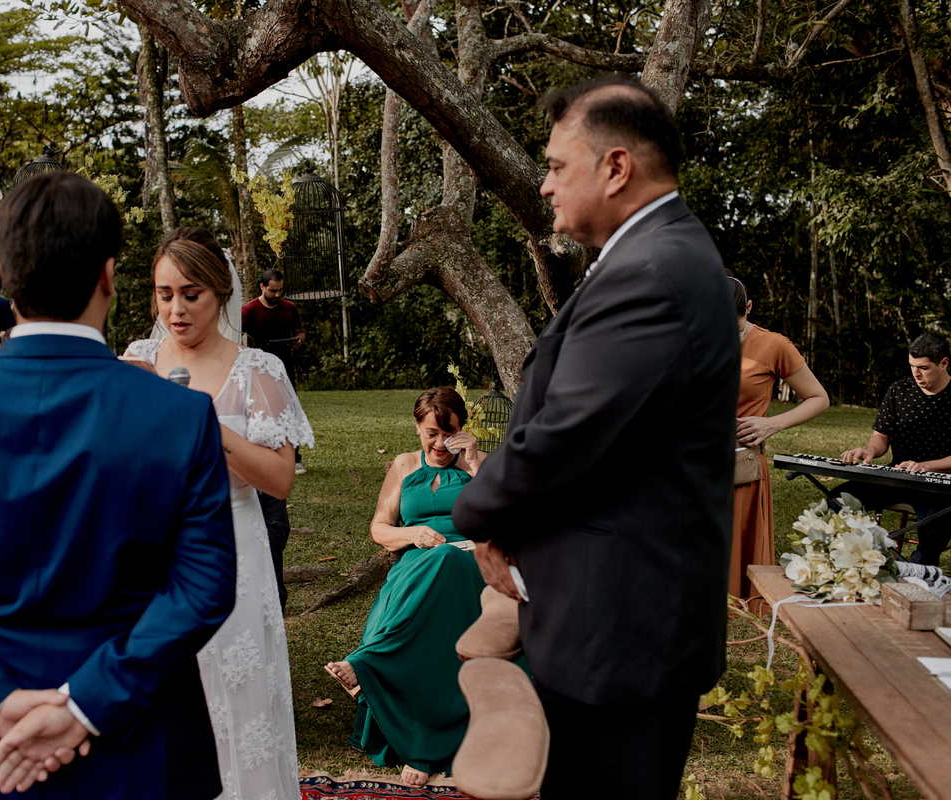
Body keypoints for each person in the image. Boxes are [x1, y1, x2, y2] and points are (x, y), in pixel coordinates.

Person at [0, 172, 237, 799]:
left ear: (4, 277)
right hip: (142, 740)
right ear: (110, 276)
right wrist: (86, 704)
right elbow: (202, 585)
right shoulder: (178, 415)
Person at [451, 74, 739, 800]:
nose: (544, 186)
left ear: (615, 167)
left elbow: (563, 436)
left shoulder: (654, 272)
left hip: (622, 633)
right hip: (608, 617)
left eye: (555, 165)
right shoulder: (653, 254)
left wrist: (477, 511)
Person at [125, 226, 313, 800]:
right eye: (164, 294)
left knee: (237, 697)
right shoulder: (134, 363)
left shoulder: (258, 371)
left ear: (221, 292)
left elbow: (280, 479)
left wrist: (201, 423)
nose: (176, 309)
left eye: (191, 294)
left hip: (231, 547)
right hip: (152, 555)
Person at [324, 387, 487, 787]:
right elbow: (380, 528)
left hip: (468, 564)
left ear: (461, 428)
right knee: (433, 565)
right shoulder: (403, 465)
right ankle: (384, 686)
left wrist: (477, 462)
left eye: (448, 432)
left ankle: (366, 663)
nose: (439, 443)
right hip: (414, 564)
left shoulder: (478, 465)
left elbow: (508, 516)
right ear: (417, 428)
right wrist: (413, 534)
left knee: (448, 557)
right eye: (431, 433)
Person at [729, 277, 829, 601]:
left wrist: (772, 424)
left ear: (749, 308)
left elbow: (818, 397)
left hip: (738, 463)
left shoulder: (774, 345)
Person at [839, 333, 951, 566]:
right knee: (837, 501)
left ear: (944, 363)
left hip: (940, 484)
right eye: (912, 366)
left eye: (923, 368)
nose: (916, 374)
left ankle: (918, 581)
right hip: (897, 476)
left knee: (932, 535)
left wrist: (926, 466)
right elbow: (881, 435)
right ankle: (844, 563)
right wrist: (870, 450)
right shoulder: (899, 391)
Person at [241, 268, 307, 475]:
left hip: (284, 365)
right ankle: (261, 455)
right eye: (272, 291)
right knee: (260, 409)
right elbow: (233, 335)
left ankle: (295, 458)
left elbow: (300, 332)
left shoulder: (289, 308)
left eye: (280, 291)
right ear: (262, 287)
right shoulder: (249, 310)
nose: (277, 295)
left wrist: (299, 340)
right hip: (258, 368)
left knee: (288, 408)